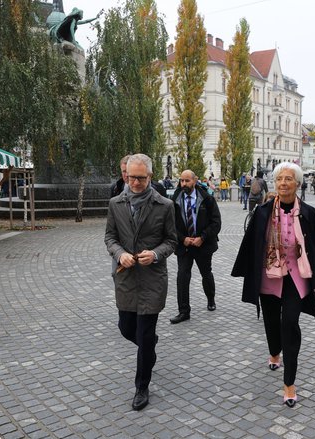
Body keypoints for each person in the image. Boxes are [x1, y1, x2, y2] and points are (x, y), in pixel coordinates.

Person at [231, 162, 315, 408]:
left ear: (297, 183)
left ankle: (289, 383)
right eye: (280, 179)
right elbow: (251, 244)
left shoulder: (308, 212)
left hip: (296, 276)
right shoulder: (262, 212)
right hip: (269, 276)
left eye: (288, 179)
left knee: (290, 323)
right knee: (272, 322)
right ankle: (274, 352)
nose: (283, 183)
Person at [104, 154, 177, 411]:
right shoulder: (116, 203)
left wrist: (156, 254)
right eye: (131, 177)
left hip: (152, 279)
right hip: (126, 276)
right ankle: (149, 347)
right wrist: (119, 254)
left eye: (141, 178)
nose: (135, 182)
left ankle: (141, 387)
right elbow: (110, 237)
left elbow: (172, 240)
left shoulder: (165, 205)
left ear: (150, 176)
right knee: (126, 328)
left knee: (145, 333)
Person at [170, 170, 221, 324]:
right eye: (181, 181)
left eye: (187, 181)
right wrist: (182, 238)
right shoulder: (174, 200)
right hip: (184, 246)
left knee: (206, 273)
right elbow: (169, 224)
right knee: (182, 276)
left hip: (203, 245)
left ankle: (210, 298)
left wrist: (203, 237)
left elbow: (216, 223)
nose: (184, 184)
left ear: (195, 180)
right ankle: (183, 311)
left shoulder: (207, 199)